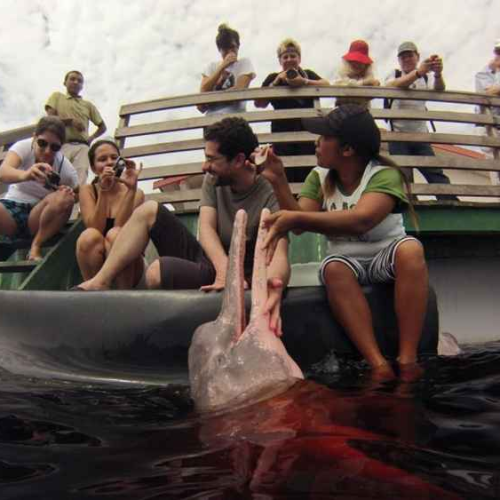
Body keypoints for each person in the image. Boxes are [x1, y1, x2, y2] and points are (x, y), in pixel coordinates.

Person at [257, 104, 428, 381]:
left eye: (324, 138)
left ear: (347, 150)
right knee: (334, 269)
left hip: (386, 253)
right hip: (347, 261)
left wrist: (293, 218)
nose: (317, 144)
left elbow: (362, 220)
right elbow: (301, 223)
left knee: (411, 249)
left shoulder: (385, 175)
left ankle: (407, 358)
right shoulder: (319, 177)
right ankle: (378, 364)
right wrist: (278, 180)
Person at [74, 117, 290, 336]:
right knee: (150, 209)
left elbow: (279, 251)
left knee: (156, 272)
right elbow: (206, 228)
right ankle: (100, 282)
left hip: (244, 278)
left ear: (238, 160)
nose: (205, 166)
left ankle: (134, 325)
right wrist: (224, 270)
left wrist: (265, 289)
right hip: (213, 264)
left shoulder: (269, 192)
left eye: (211, 159)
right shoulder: (214, 179)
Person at [0, 116, 78, 260]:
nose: (48, 151)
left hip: (39, 217)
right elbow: (3, 172)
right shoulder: (23, 147)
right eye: (42, 143)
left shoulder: (66, 170)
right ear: (34, 137)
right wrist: (26, 175)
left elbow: (77, 194)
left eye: (55, 147)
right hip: (11, 210)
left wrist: (62, 191)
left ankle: (35, 246)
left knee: (66, 197)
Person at [385, 42, 456, 199]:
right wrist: (418, 72)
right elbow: (394, 86)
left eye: (410, 55)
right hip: (397, 137)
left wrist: (437, 73)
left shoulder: (426, 77)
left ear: (417, 56)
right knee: (403, 178)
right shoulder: (395, 74)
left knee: (435, 175)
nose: (406, 59)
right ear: (399, 60)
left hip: (421, 136)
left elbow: (439, 88)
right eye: (403, 56)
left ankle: (451, 205)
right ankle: (410, 209)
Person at [255, 38, 329, 181]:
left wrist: (305, 82)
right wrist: (277, 82)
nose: (289, 59)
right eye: (285, 57)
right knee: (285, 174)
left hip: (307, 135)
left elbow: (327, 85)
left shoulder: (307, 74)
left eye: (293, 56)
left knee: (307, 174)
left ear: (299, 58)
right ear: (280, 60)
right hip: (282, 137)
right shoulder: (273, 78)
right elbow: (259, 103)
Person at [76, 140, 145, 289]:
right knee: (89, 236)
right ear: (94, 169)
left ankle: (123, 298)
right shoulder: (87, 190)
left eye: (114, 158)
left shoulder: (136, 194)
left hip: (130, 266)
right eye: (102, 159)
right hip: (97, 262)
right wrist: (104, 191)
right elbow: (96, 227)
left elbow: (122, 228)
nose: (109, 162)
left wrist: (131, 190)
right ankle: (96, 295)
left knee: (115, 234)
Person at [45, 70, 107, 186]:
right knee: (54, 177)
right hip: (61, 145)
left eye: (79, 81)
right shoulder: (57, 97)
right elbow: (50, 120)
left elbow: (102, 127)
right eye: (72, 79)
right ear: (65, 82)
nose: (76, 82)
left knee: (79, 181)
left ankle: (75, 204)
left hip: (82, 146)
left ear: (82, 86)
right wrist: (70, 121)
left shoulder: (88, 105)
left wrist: (91, 138)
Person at [198, 24, 255, 115]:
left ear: (238, 46)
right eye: (225, 48)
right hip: (212, 122)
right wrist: (222, 67)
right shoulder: (211, 66)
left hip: (236, 120)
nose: (229, 52)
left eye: (232, 47)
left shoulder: (244, 63)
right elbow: (201, 99)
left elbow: (239, 91)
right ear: (219, 50)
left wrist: (211, 98)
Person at [475, 39, 500, 183]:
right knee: (495, 168)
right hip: (489, 126)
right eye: (498, 52)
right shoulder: (483, 73)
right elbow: (488, 93)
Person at [333, 39, 380, 108]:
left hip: (362, 114)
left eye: (360, 62)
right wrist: (364, 83)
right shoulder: (341, 73)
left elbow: (369, 96)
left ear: (366, 64)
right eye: (354, 61)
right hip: (342, 113)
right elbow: (341, 86)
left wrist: (376, 87)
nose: (357, 64)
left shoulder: (368, 76)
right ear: (348, 61)